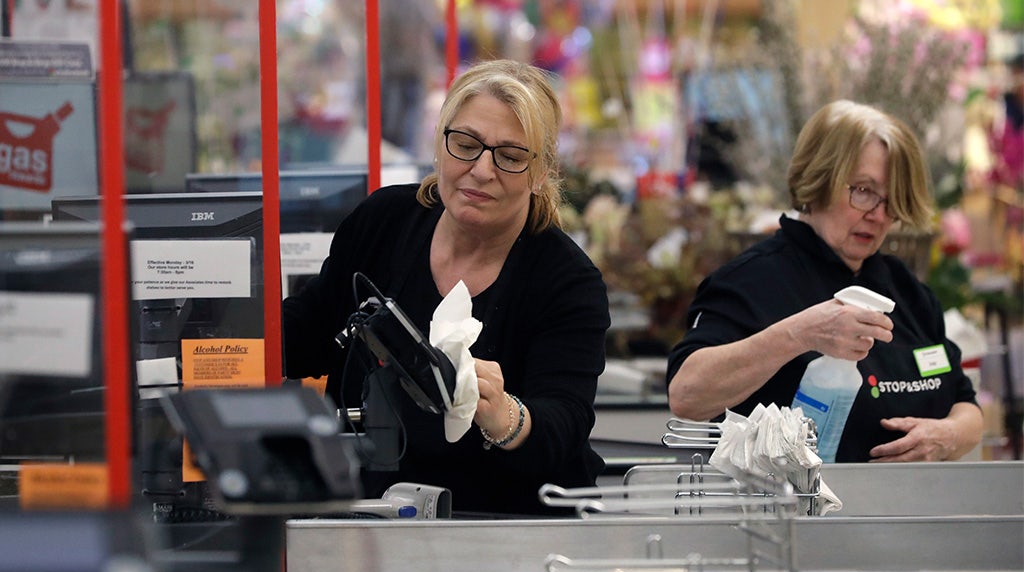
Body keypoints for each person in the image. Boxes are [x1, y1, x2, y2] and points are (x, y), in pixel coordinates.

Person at [283, 59, 610, 516]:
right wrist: (216, 319)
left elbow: (563, 422)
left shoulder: (566, 281)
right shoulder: (383, 223)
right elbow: (305, 336)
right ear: (440, 143)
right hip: (371, 516)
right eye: (466, 144)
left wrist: (505, 416)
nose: (481, 170)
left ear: (541, 174)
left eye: (511, 157)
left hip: (508, 527)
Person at [666, 100, 983, 463]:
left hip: (908, 510)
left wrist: (949, 435)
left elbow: (966, 402)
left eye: (892, 199)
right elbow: (686, 395)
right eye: (863, 190)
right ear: (818, 181)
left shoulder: (905, 289)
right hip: (789, 514)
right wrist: (799, 335)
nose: (879, 215)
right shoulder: (754, 280)